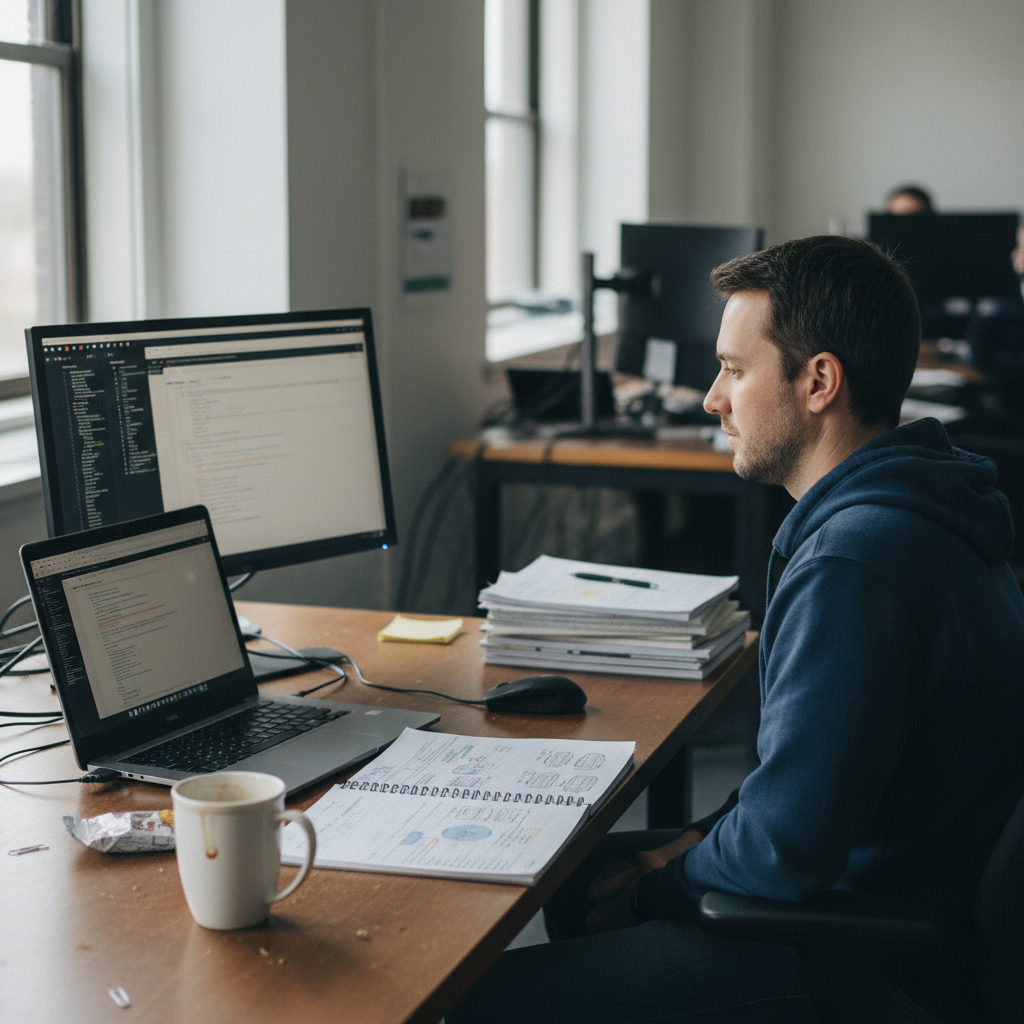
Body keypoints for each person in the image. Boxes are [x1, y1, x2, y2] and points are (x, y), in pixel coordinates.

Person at [448, 235, 1024, 1024]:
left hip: (872, 954)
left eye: (733, 369)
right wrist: (682, 849)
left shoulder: (857, 564)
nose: (714, 399)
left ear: (819, 381)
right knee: (586, 872)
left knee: (478, 1000)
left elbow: (786, 849)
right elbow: (804, 788)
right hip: (891, 871)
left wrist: (661, 878)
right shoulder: (921, 507)